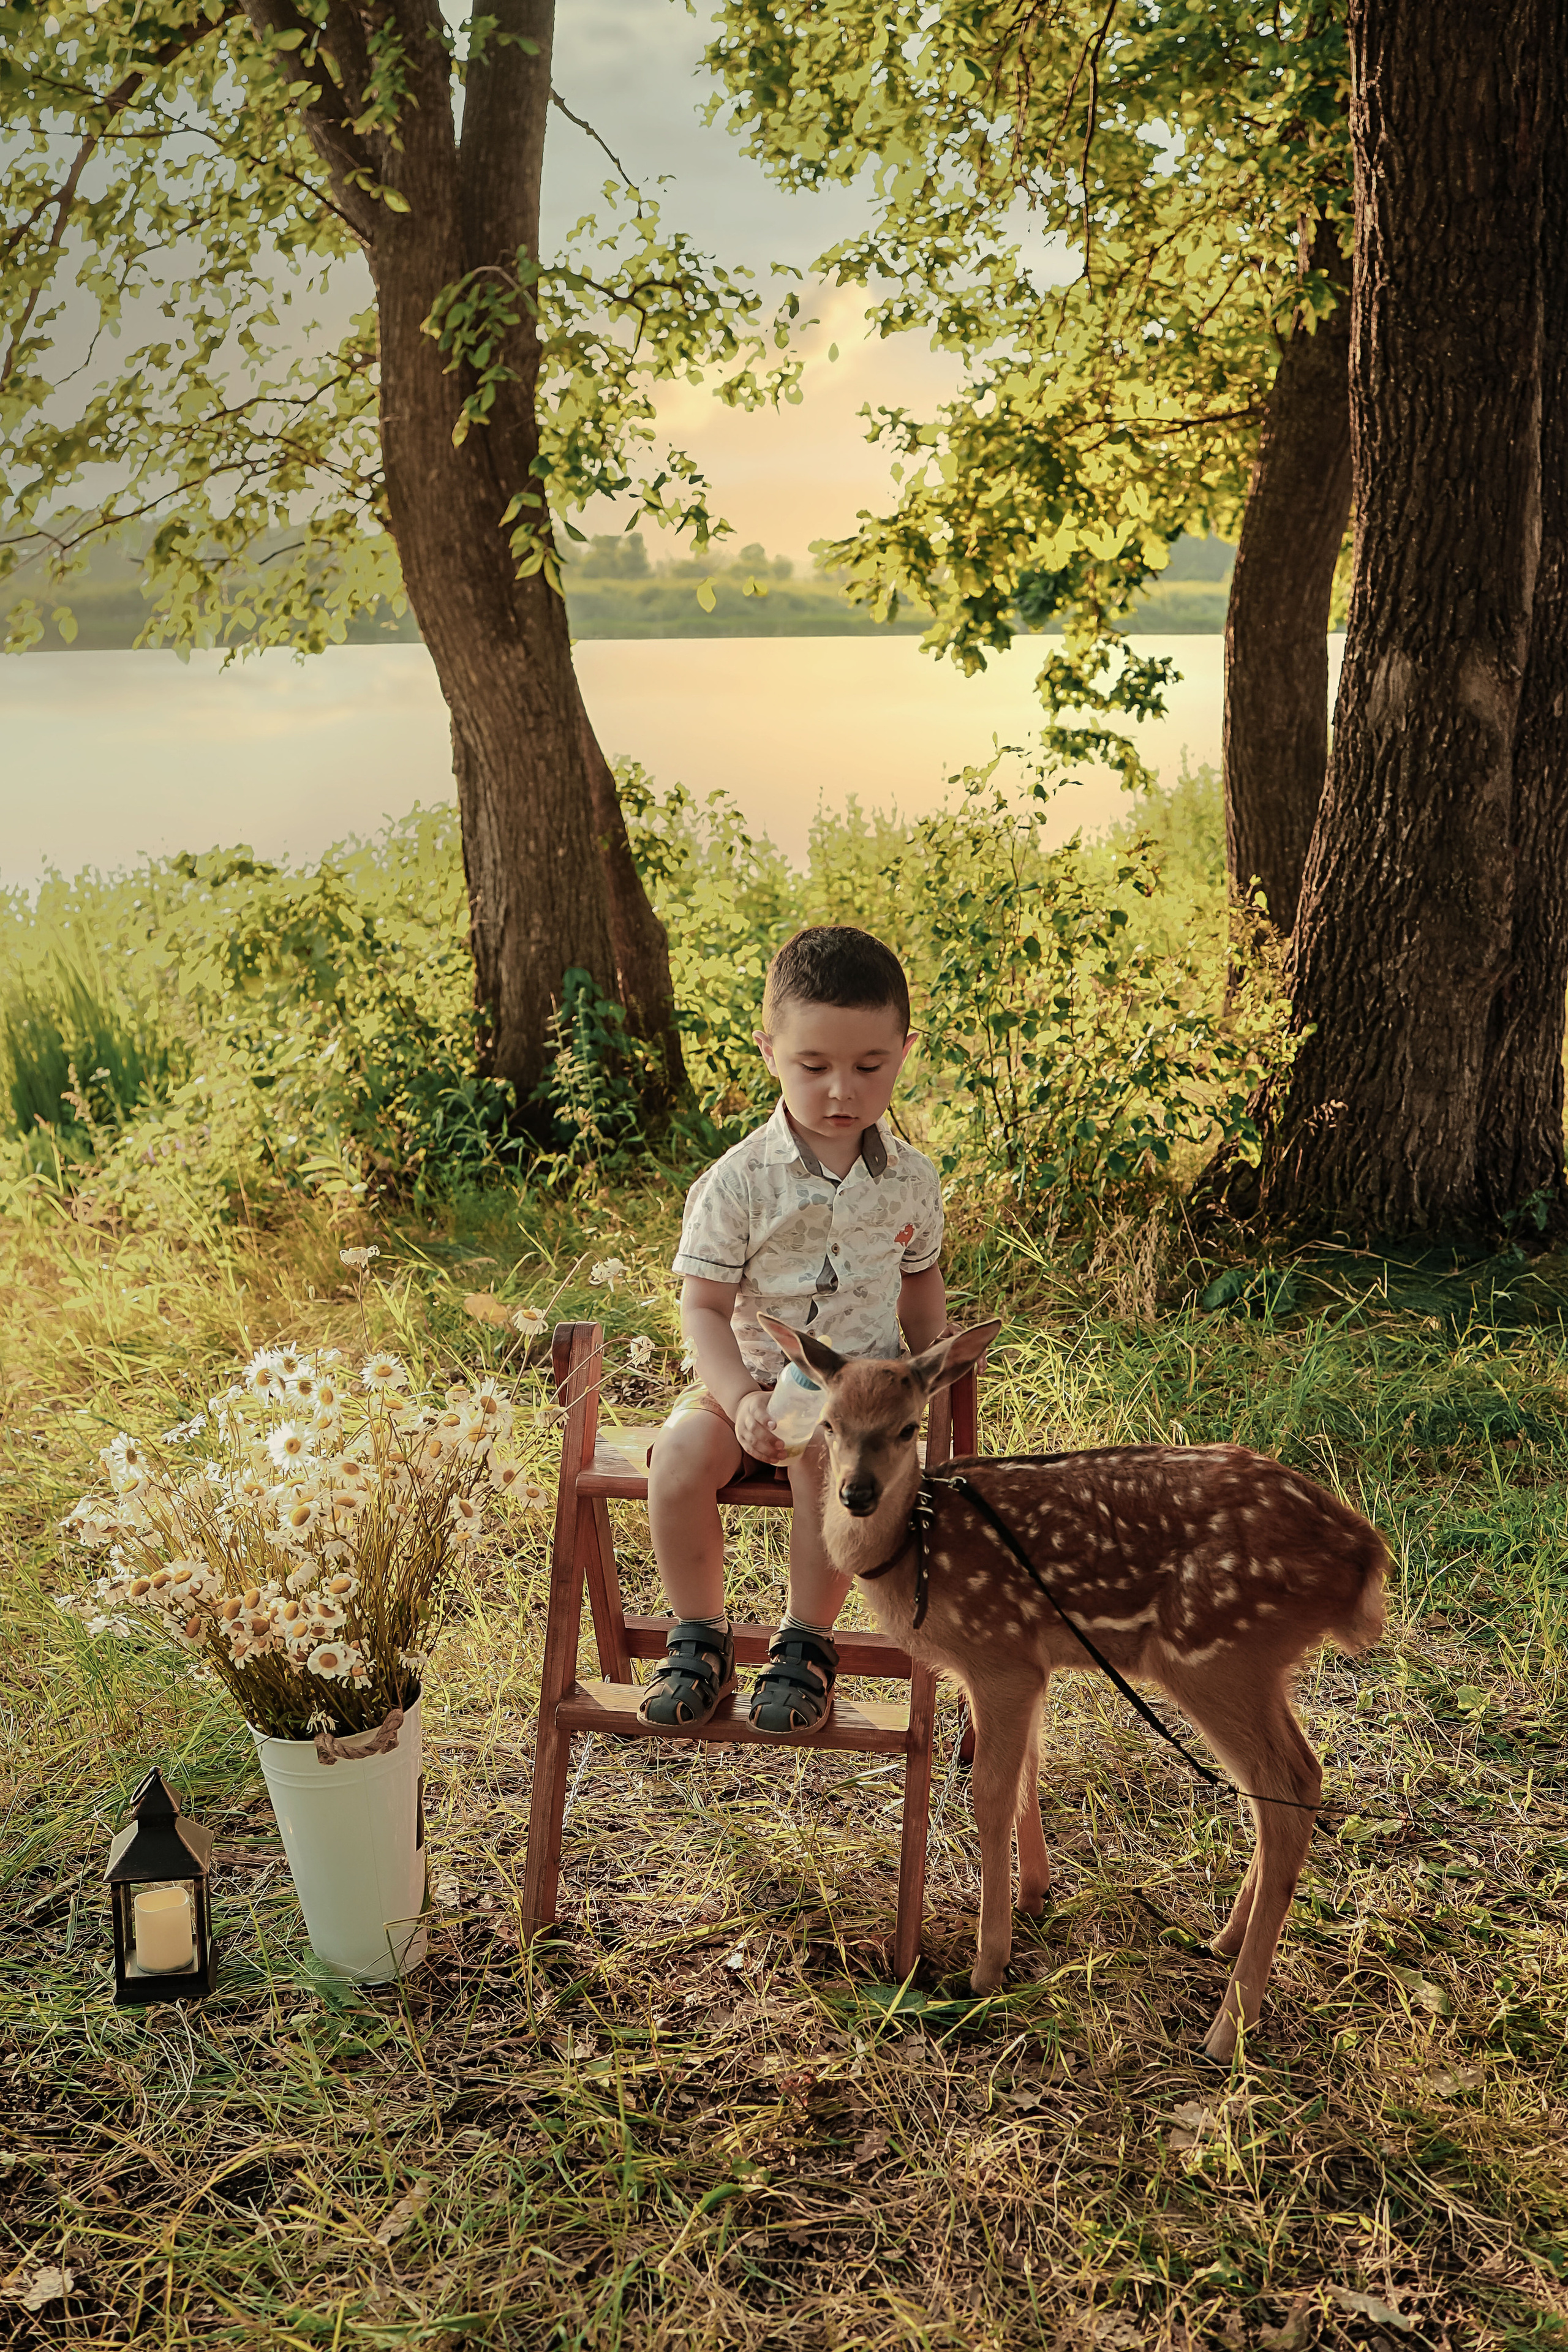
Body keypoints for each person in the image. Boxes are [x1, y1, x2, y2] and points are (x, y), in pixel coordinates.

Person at [641, 924, 947, 1735]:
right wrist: (741, 1398)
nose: (842, 1090)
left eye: (869, 1067)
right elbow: (703, 1308)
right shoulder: (740, 1181)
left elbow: (921, 1284)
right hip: (740, 1384)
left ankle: (806, 1643)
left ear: (905, 1052)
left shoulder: (912, 1181)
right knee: (678, 1458)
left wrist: (932, 1376)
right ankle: (698, 1636)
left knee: (830, 1470)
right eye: (814, 1067)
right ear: (770, 1052)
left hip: (855, 1403)